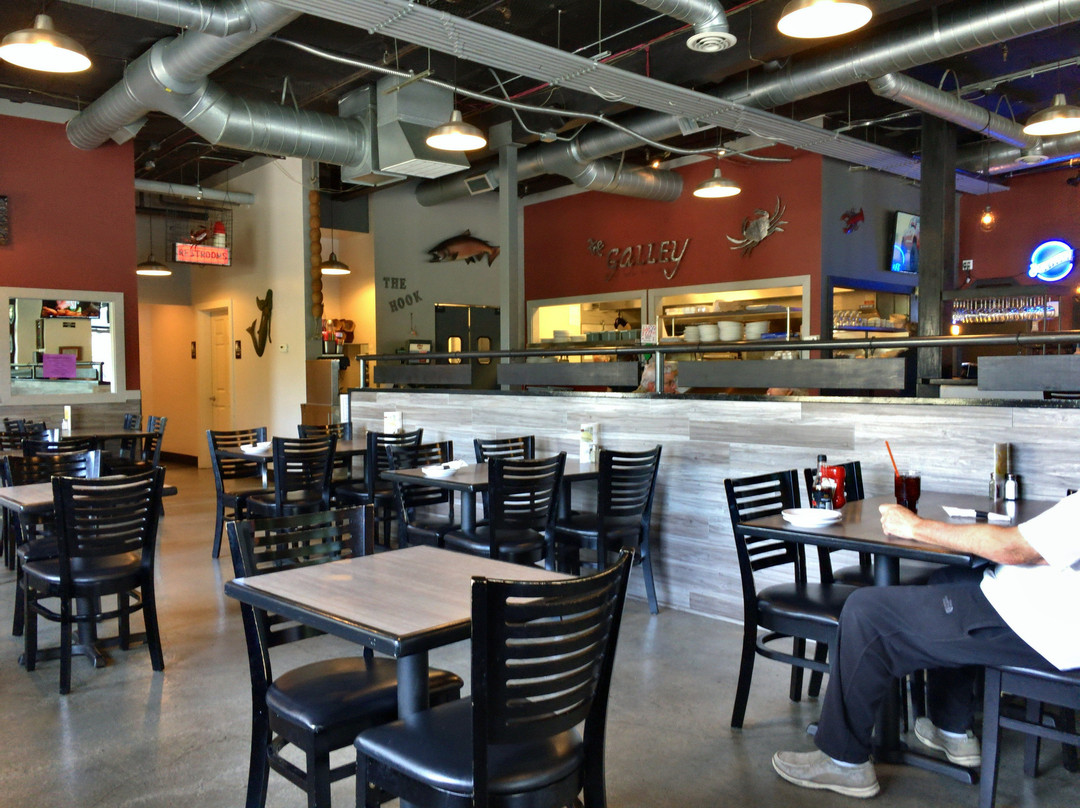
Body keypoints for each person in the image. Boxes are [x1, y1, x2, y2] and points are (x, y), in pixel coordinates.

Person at [772, 493, 1080, 798]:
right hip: (1039, 612)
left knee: (864, 613)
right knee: (950, 578)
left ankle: (844, 762)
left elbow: (1014, 548)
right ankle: (951, 728)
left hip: (1031, 623)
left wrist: (915, 527)